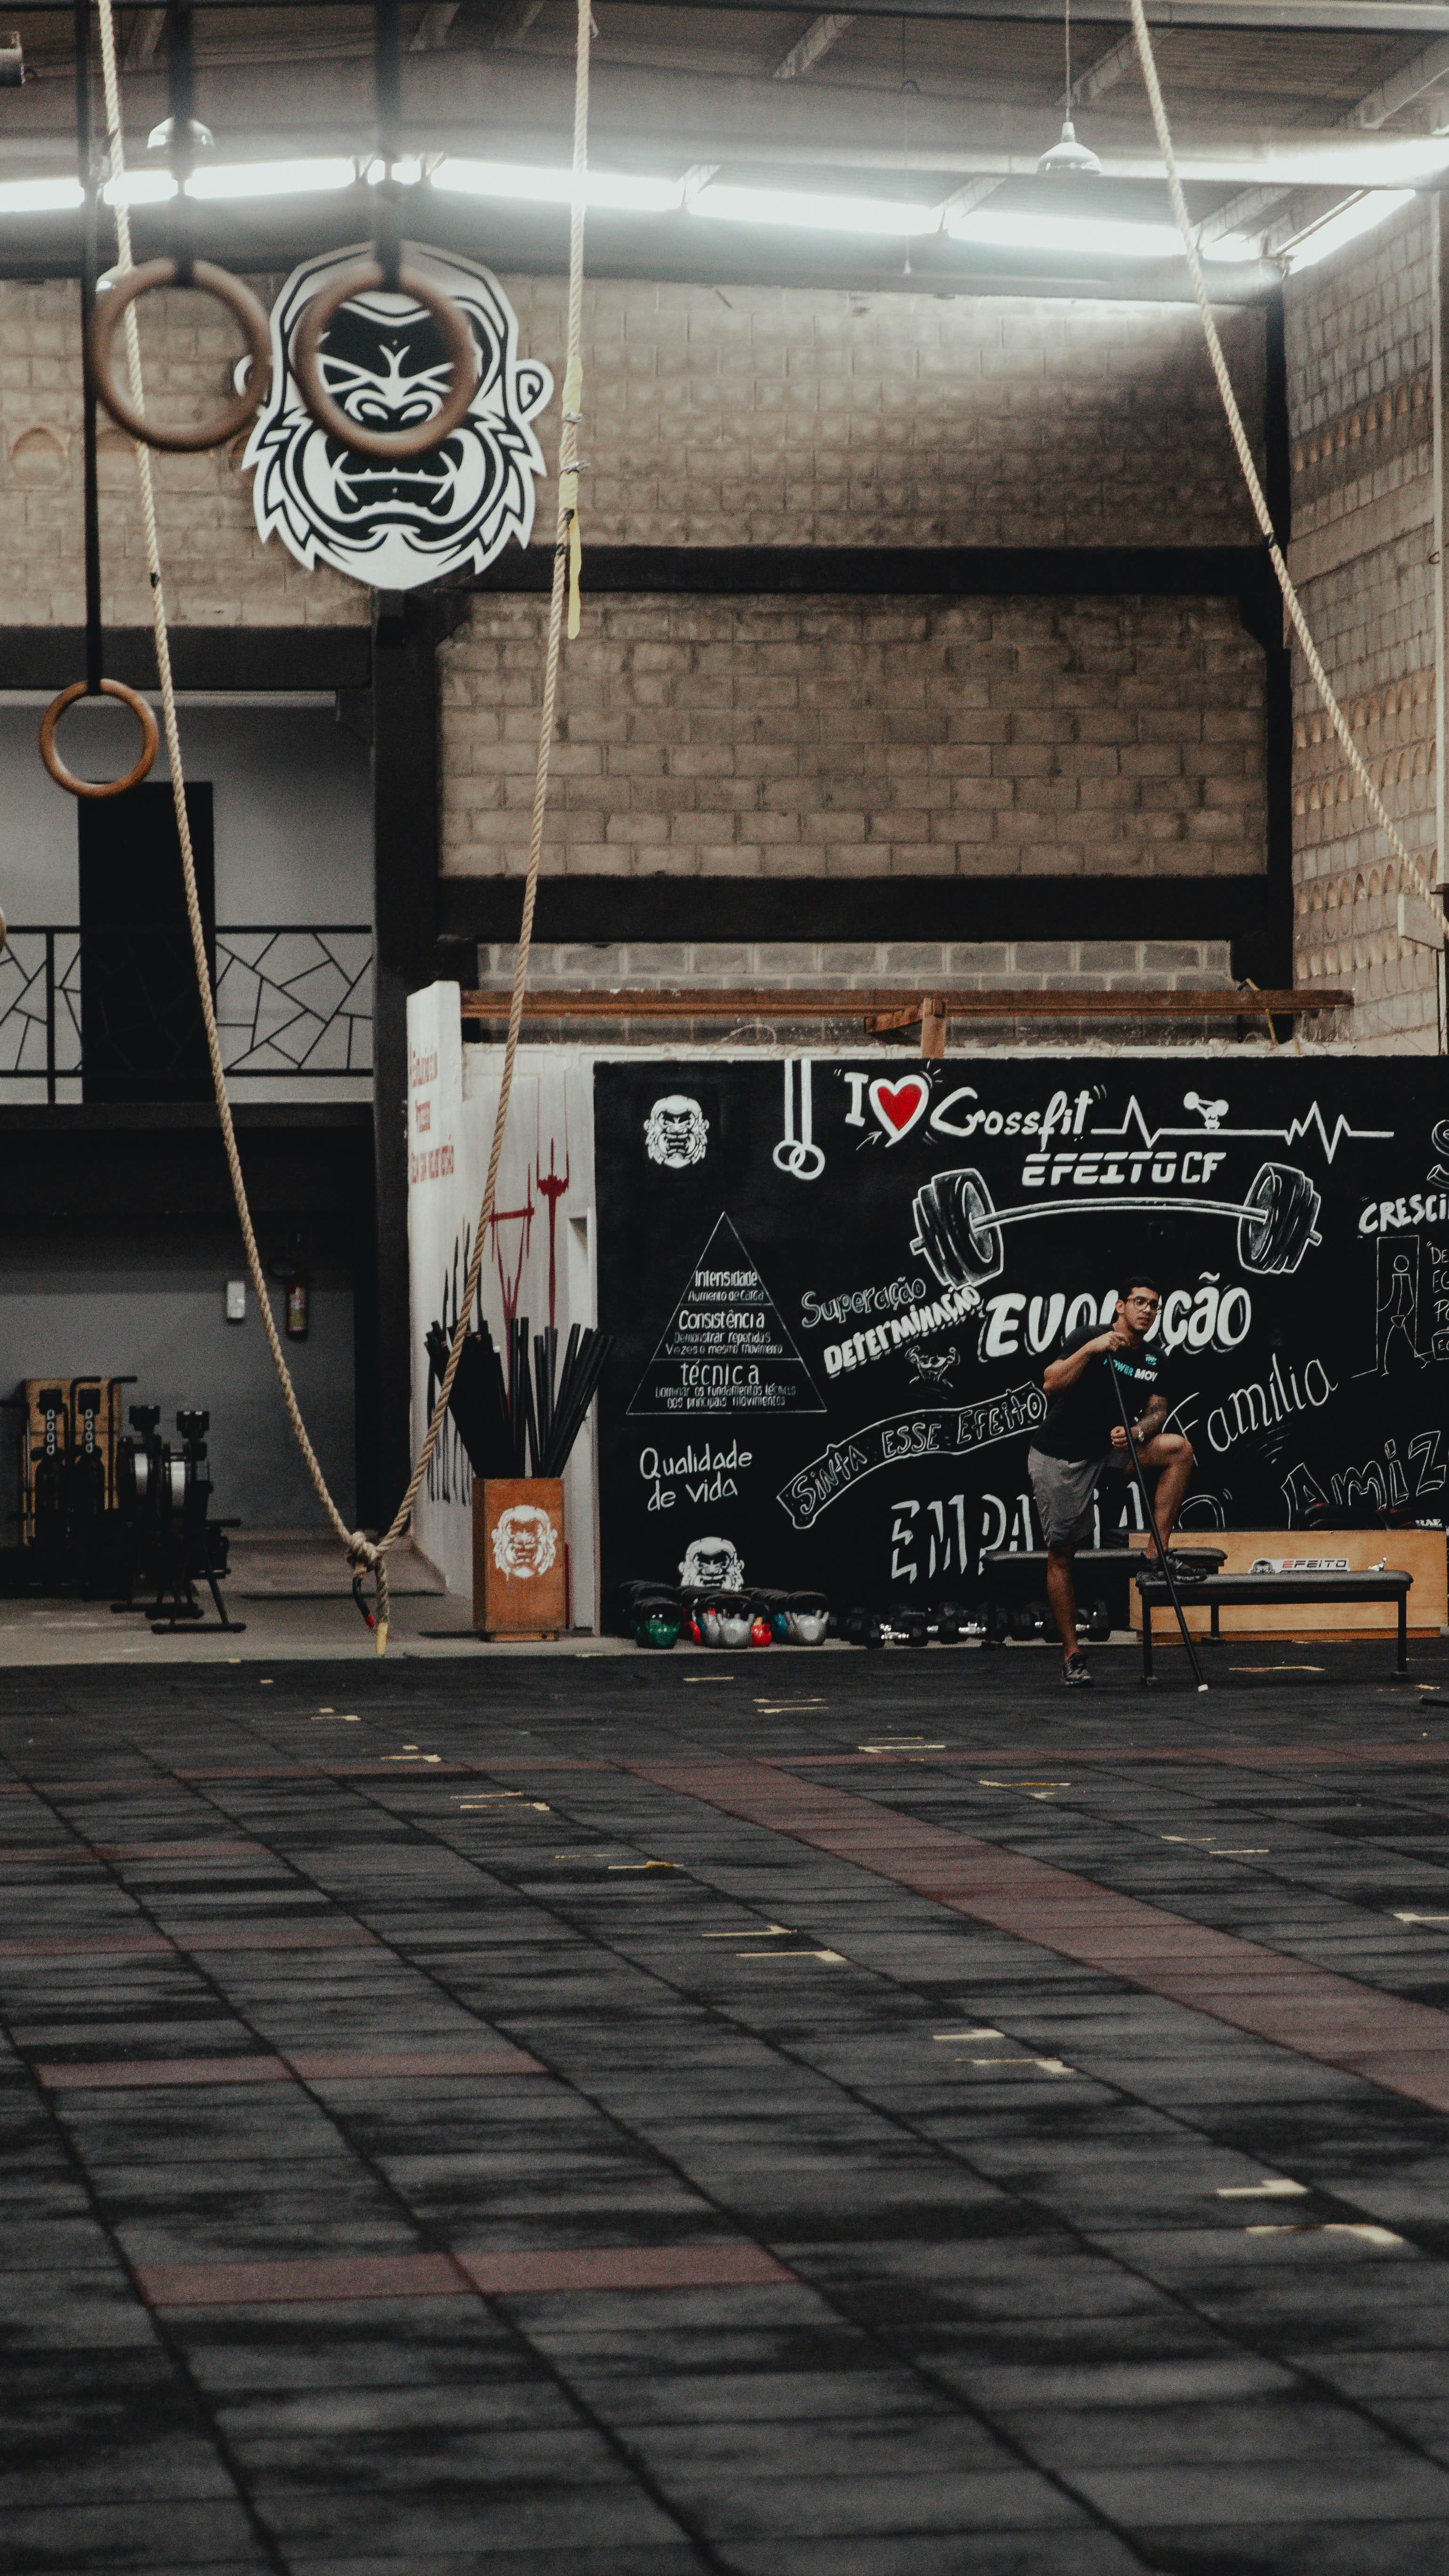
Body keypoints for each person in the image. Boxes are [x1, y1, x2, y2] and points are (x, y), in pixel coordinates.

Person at [1027, 1275, 1194, 1689]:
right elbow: (1050, 1383)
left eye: (1153, 1305)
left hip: (1110, 1450)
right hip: (1063, 1455)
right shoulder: (1089, 1337)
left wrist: (1136, 1432)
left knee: (1178, 1450)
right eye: (1139, 1302)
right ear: (1121, 1306)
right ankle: (1072, 1656)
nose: (1147, 1310)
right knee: (1062, 1553)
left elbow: (1158, 1413)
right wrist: (1092, 1350)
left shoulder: (1155, 1359)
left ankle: (1156, 1557)